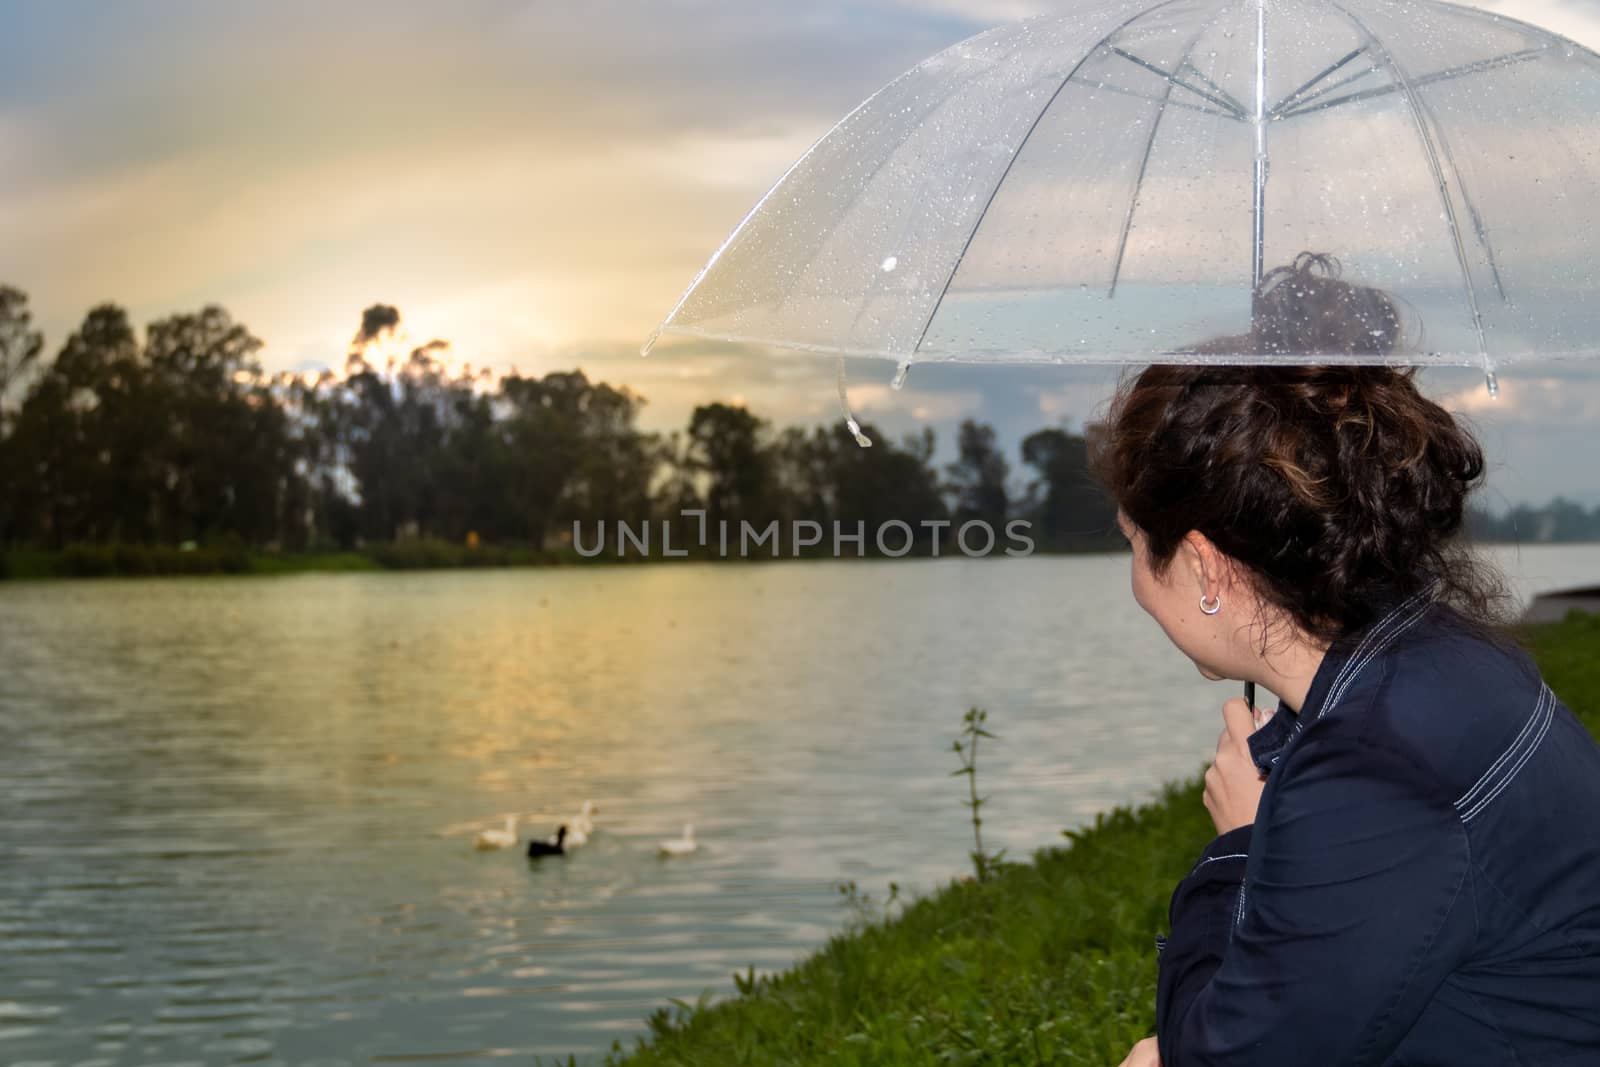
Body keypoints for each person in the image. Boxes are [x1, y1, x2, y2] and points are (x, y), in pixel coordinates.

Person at [1093, 255, 1600, 1065]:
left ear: (1204, 565)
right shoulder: (1432, 656)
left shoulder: (1374, 766)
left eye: (1132, 544)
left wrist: (1243, 846)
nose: (1133, 582)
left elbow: (1231, 1054)